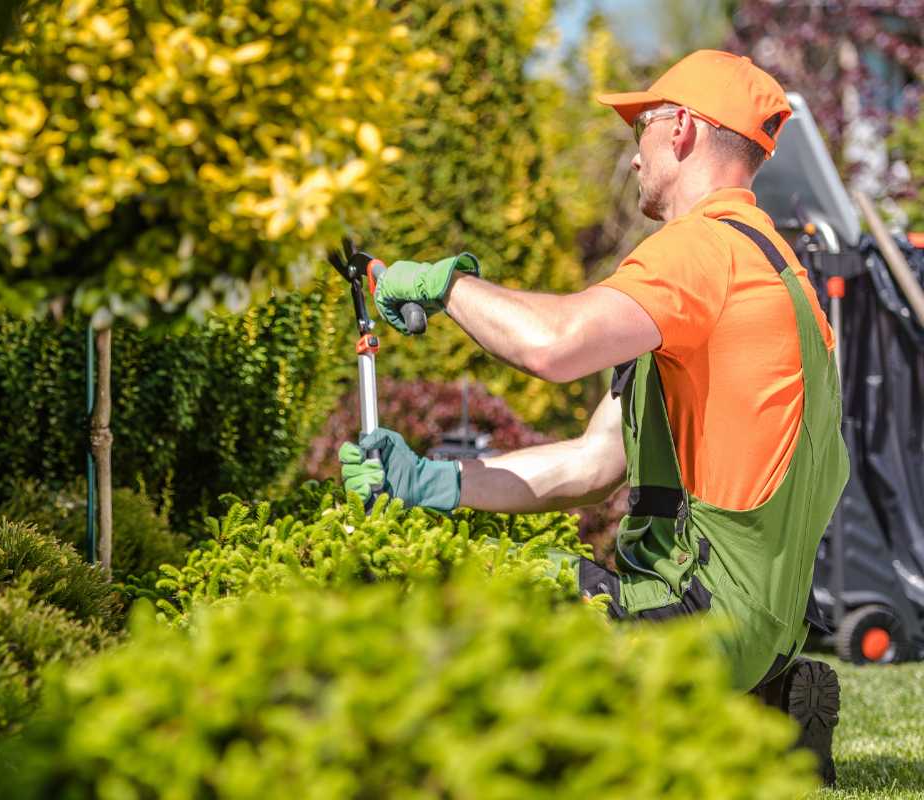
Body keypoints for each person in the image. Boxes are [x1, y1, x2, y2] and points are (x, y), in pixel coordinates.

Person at [339, 50, 850, 699]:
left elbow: (554, 347)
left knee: (468, 584)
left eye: (642, 129)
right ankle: (768, 705)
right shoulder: (780, 272)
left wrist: (443, 285)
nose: (636, 156)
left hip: (694, 617)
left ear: (683, 129)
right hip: (762, 633)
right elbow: (592, 464)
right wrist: (429, 480)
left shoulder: (702, 249)